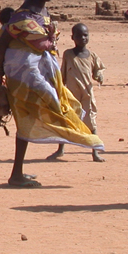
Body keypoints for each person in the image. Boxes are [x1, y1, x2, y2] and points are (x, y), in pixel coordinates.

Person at [0, 0, 104, 187]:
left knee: (31, 118)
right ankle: (16, 174)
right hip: (25, 74)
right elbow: (4, 39)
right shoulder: (23, 15)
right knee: (45, 109)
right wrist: (0, 68)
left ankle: (18, 172)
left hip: (39, 71)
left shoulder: (42, 12)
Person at [46, 23, 107, 162]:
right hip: (71, 95)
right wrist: (58, 89)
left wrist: (99, 75)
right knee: (66, 121)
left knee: (91, 123)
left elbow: (99, 69)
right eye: (79, 36)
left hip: (87, 95)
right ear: (73, 37)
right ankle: (60, 150)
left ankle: (95, 152)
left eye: (85, 35)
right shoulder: (68, 54)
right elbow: (63, 73)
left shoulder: (92, 56)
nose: (83, 38)